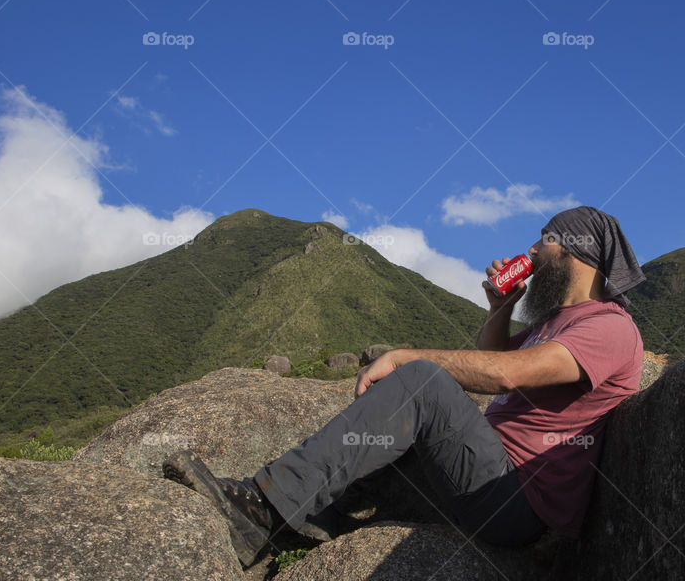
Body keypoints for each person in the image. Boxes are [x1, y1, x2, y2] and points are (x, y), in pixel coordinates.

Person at [163, 205, 647, 569]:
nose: (533, 251)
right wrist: (500, 307)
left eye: (545, 240)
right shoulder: (554, 323)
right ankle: (311, 517)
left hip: (516, 500)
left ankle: (263, 506)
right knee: (394, 428)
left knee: (422, 382)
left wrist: (408, 356)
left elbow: (506, 374)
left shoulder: (609, 327)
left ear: (577, 250)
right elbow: (496, 356)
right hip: (486, 478)